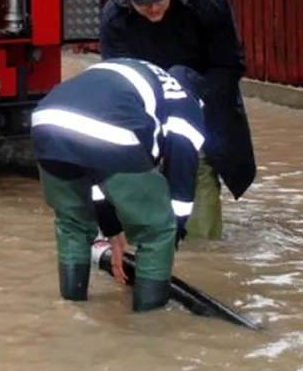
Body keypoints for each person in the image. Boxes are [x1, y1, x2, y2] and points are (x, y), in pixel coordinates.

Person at [98, 0, 257, 240]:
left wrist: (190, 99)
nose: (153, 8)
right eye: (144, 4)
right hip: (147, 107)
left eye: (159, 0)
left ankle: (200, 248)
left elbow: (230, 65)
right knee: (139, 177)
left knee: (199, 175)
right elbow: (117, 78)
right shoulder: (115, 18)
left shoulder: (208, 4)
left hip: (202, 101)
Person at [32, 56, 207, 312]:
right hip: (109, 129)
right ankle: (149, 326)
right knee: (156, 230)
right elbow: (181, 180)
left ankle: (70, 310)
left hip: (46, 123)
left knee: (73, 224)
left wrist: (112, 230)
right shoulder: (186, 102)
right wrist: (172, 234)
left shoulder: (131, 71)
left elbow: (95, 179)